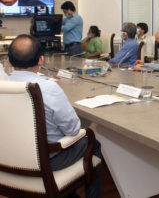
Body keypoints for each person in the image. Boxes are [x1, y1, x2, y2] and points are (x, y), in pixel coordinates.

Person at [6, 34, 102, 197]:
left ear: (8, 61)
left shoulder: (4, 86)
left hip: (8, 158)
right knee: (94, 144)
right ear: (41, 60)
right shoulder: (48, 88)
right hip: (47, 160)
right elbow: (73, 130)